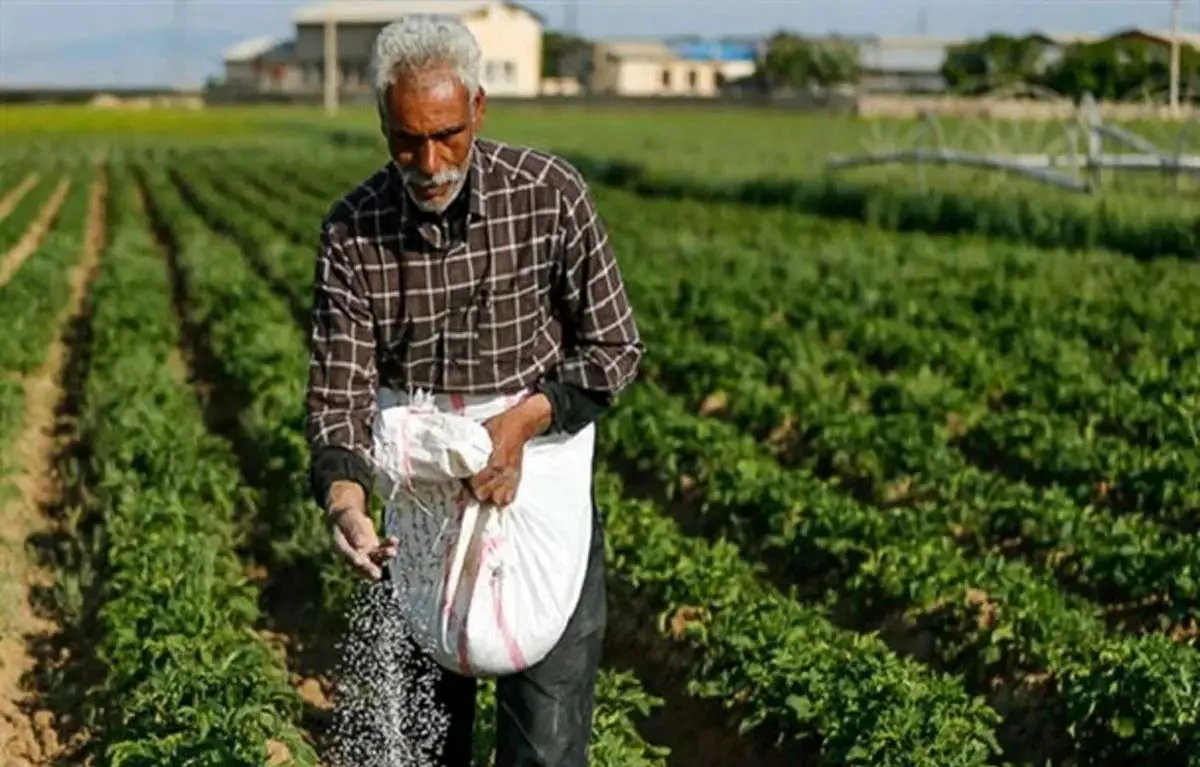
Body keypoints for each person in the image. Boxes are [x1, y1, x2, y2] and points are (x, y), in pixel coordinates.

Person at [304, 14, 643, 767]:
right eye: (406, 140)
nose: (429, 162)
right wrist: (348, 507)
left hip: (537, 502)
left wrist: (525, 420)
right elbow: (338, 398)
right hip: (421, 517)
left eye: (448, 134)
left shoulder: (548, 196)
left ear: (479, 110)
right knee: (420, 749)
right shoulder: (354, 231)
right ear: (382, 122)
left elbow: (615, 350)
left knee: (546, 750)